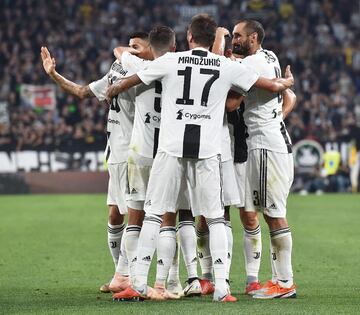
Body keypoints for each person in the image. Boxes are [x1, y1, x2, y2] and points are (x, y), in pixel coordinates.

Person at [106, 14, 293, 302]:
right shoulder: (226, 64)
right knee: (217, 218)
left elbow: (135, 75)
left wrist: (116, 87)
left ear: (189, 38)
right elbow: (270, 85)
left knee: (154, 212)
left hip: (171, 149)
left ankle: (140, 283)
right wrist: (286, 83)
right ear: (212, 40)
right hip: (208, 151)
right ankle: (222, 288)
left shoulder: (173, 60)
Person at [40, 32, 152, 293]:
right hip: (115, 151)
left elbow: (122, 52)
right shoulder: (117, 68)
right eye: (130, 45)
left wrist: (127, 53)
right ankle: (120, 274)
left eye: (137, 46)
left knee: (138, 215)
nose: (130, 50)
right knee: (114, 215)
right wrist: (54, 75)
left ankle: (131, 275)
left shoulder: (150, 72)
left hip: (134, 152)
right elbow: (82, 91)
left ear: (150, 49)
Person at [230, 19, 297, 299]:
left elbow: (231, 103)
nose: (234, 39)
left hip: (265, 147)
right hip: (271, 141)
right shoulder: (269, 55)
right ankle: (280, 281)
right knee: (268, 213)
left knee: (273, 214)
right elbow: (285, 92)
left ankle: (284, 283)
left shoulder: (250, 66)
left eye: (238, 36)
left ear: (253, 37)